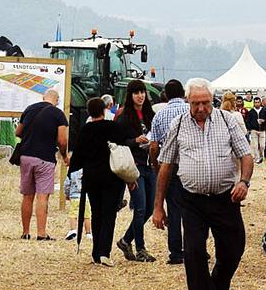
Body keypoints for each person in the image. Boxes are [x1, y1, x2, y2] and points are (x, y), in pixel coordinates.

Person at [151, 80, 255, 290]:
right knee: (194, 252)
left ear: (212, 100)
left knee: (234, 248)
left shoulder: (227, 121)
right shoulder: (178, 125)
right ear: (187, 101)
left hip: (225, 198)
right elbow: (166, 166)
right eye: (195, 103)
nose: (200, 108)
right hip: (192, 200)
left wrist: (244, 182)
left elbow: (246, 155)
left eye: (205, 103)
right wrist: (158, 206)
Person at [72, 96, 134, 265]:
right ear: (104, 110)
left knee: (96, 213)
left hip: (91, 178)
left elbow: (77, 156)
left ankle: (96, 252)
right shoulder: (113, 128)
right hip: (111, 177)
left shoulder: (85, 130)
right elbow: (127, 143)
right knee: (109, 214)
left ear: (89, 112)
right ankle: (104, 252)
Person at [14, 90, 69, 241]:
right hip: (45, 158)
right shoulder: (58, 114)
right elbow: (62, 140)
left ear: (43, 97)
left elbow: (18, 132)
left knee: (27, 196)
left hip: (26, 156)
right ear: (57, 100)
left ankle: (25, 232)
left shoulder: (29, 109)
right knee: (42, 197)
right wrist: (64, 155)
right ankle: (41, 233)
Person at [147, 80, 190, 264]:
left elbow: (153, 146)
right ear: (183, 93)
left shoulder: (159, 115)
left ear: (165, 94)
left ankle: (176, 252)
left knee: (174, 209)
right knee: (193, 208)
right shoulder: (190, 110)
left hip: (169, 166)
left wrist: (156, 166)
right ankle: (195, 248)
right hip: (190, 164)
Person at [115, 87, 156, 261]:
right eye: (136, 93)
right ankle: (140, 248)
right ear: (130, 96)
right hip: (134, 166)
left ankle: (125, 240)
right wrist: (135, 141)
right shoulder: (124, 117)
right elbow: (118, 142)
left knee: (150, 208)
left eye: (142, 92)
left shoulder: (150, 115)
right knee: (140, 208)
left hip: (150, 164)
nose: (140, 96)